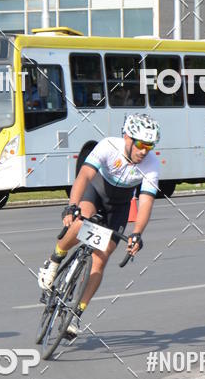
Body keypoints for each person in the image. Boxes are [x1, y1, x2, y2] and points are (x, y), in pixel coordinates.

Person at [37, 113, 161, 338]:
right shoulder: (108, 147)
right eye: (141, 144)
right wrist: (72, 205)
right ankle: (54, 260)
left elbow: (146, 201)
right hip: (95, 192)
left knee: (101, 257)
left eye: (149, 146)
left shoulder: (151, 164)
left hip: (119, 206)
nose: (144, 151)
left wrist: (137, 233)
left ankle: (76, 313)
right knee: (80, 223)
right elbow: (85, 175)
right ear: (128, 138)